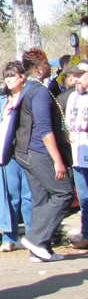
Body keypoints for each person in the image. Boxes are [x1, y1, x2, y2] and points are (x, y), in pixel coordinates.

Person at [16, 48, 74, 263]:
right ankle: (36, 238)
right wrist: (58, 160)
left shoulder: (28, 88)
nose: (50, 66)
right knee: (64, 192)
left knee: (40, 199)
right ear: (38, 69)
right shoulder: (38, 91)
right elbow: (44, 128)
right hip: (39, 152)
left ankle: (40, 249)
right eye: (46, 63)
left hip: (26, 152)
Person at [0, 62, 32, 252]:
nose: (9, 79)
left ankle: (32, 237)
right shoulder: (0, 100)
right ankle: (9, 237)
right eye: (7, 76)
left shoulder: (30, 96)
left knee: (29, 197)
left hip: (28, 155)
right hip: (6, 157)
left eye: (13, 75)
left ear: (22, 77)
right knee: (10, 197)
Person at [63, 60, 88, 250]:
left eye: (80, 75)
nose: (75, 79)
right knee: (85, 199)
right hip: (78, 157)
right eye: (74, 75)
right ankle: (86, 234)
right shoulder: (72, 97)